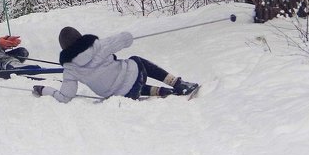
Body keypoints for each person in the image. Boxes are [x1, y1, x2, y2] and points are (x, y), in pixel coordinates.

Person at [33, 27, 199, 102]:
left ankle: (163, 92)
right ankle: (177, 84)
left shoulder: (70, 70)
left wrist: (44, 90)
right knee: (136, 61)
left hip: (120, 96)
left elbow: (65, 97)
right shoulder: (98, 45)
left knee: (126, 83)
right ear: (80, 37)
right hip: (136, 77)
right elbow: (126, 39)